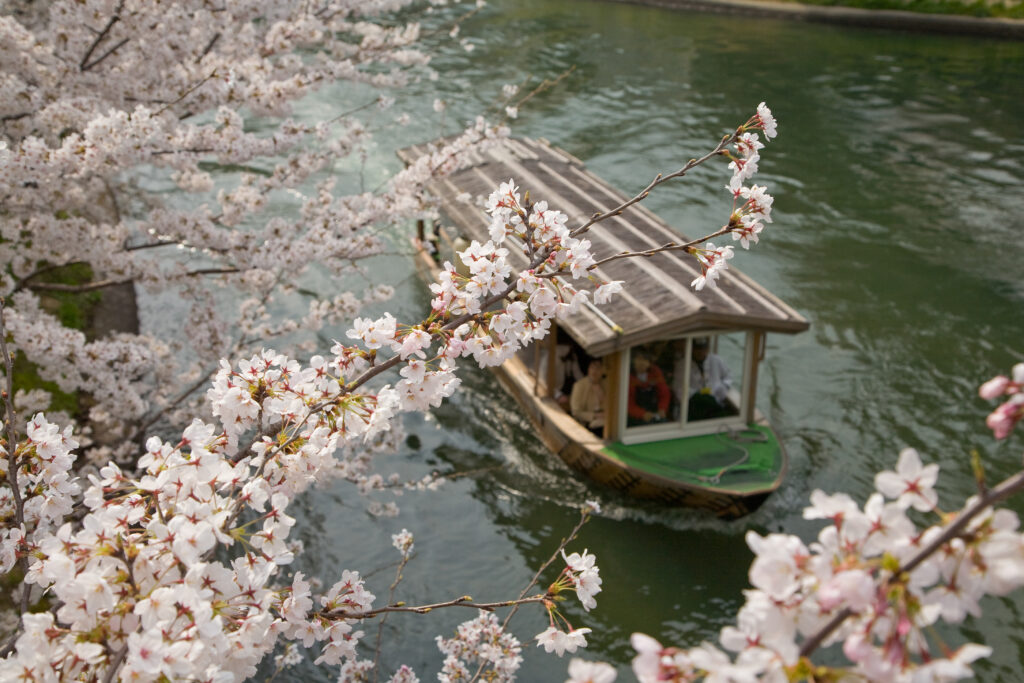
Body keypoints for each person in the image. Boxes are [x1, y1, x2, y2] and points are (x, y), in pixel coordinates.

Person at [674, 337, 733, 421]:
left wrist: (722, 388)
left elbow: (728, 377)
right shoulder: (682, 364)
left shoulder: (716, 360)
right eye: (697, 349)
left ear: (707, 348)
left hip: (715, 399)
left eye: (703, 348)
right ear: (692, 349)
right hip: (693, 403)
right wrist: (698, 395)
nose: (700, 352)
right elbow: (678, 387)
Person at [627, 351, 671, 426]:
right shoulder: (628, 376)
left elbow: (664, 393)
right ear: (633, 361)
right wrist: (642, 414)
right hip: (635, 415)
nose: (642, 363)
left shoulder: (655, 373)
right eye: (639, 359)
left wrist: (662, 408)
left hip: (653, 412)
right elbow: (628, 404)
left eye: (645, 360)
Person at [571, 360, 606, 436]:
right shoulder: (579, 386)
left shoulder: (606, 384)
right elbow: (576, 412)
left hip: (604, 418)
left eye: (598, 368)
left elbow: (611, 406)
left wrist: (601, 395)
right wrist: (594, 415)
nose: (594, 371)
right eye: (592, 367)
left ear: (603, 371)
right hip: (587, 423)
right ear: (588, 369)